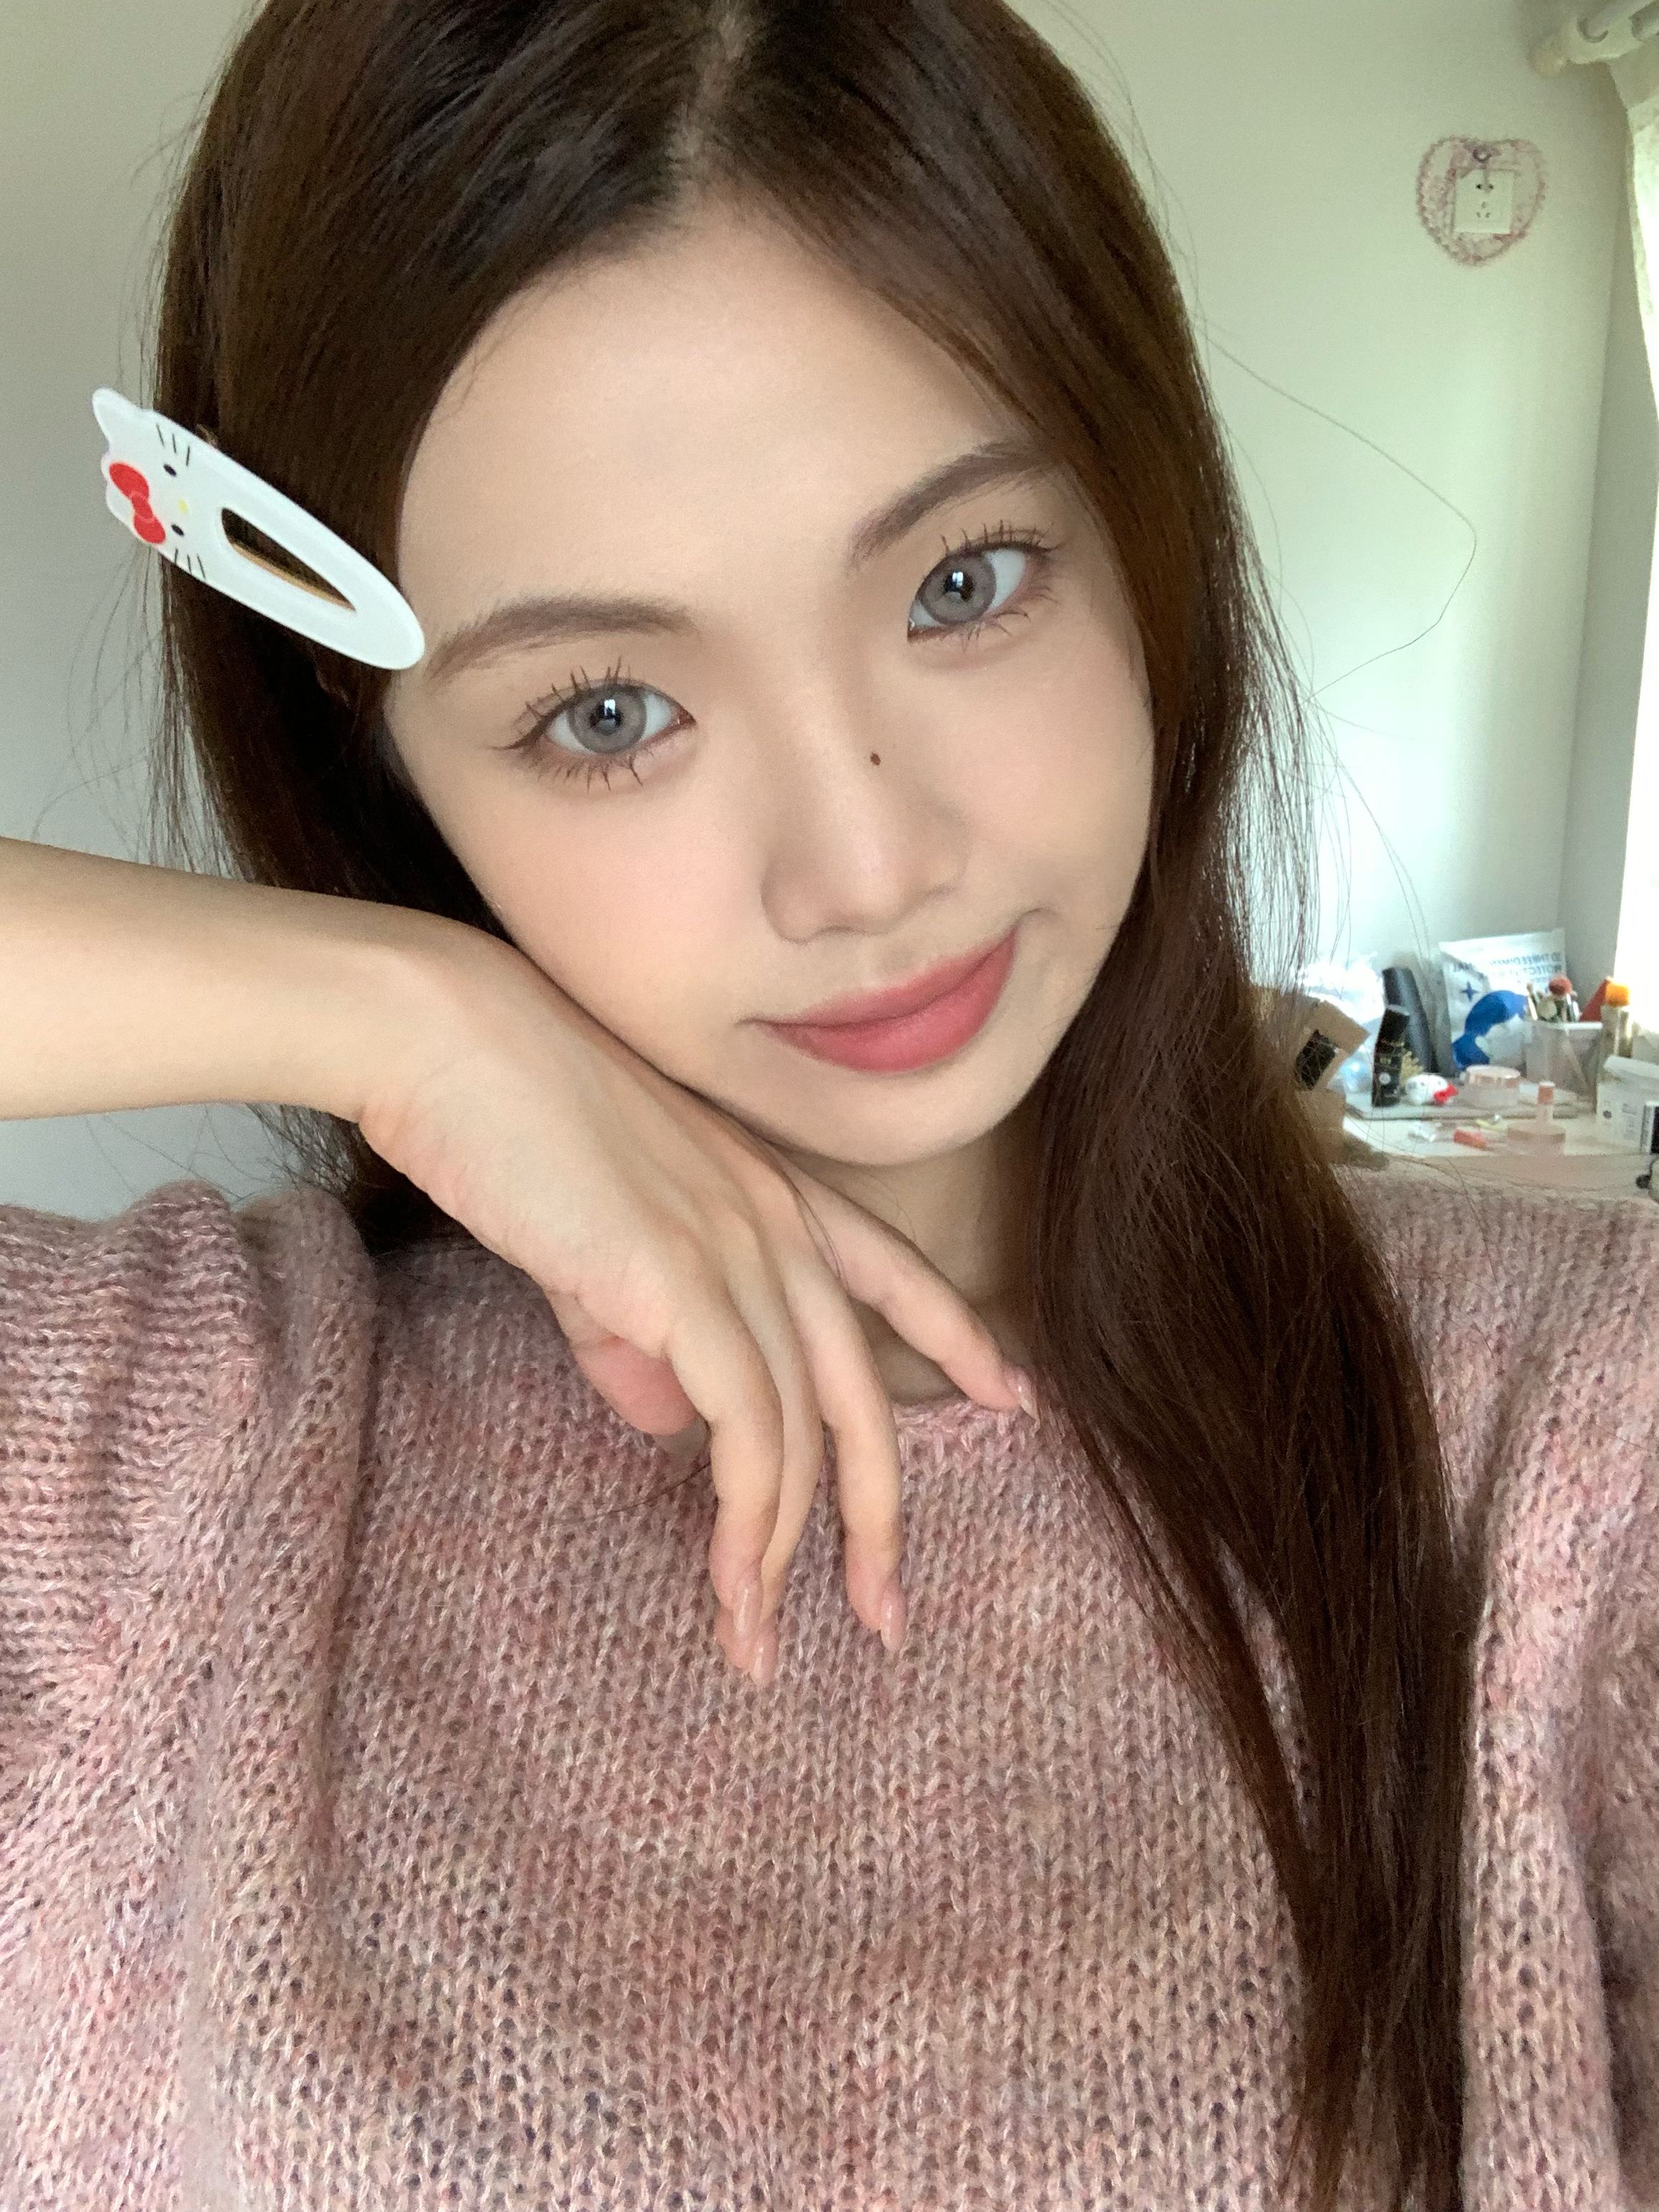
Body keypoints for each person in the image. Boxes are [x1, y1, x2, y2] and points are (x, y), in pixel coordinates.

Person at [1, 4, 1653, 2208]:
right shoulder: (161, 1477)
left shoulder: (1581, 1449)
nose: (863, 869)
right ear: (388, 762)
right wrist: (393, 1015)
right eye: (605, 710)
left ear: (1139, 532)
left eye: (963, 584)